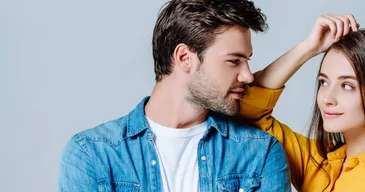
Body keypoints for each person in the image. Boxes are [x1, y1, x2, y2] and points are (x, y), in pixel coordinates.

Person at [59, 0, 290, 191]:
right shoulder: (92, 153)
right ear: (184, 58)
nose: (248, 76)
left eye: (247, 61)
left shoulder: (260, 154)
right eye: (234, 61)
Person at [237, 14, 365, 191]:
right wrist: (308, 48)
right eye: (324, 82)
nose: (326, 98)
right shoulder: (319, 163)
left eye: (347, 86)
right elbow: (248, 110)